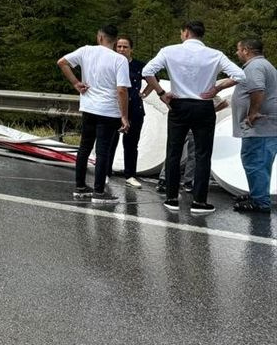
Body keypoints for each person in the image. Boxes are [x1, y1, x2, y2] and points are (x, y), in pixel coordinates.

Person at [142, 21, 245, 215]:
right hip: (204, 105)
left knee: (173, 151)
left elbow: (147, 72)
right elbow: (240, 75)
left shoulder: (169, 51)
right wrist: (217, 87)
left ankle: (171, 198)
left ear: (186, 32)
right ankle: (199, 201)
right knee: (202, 154)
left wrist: (162, 92)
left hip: (178, 104)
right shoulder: (215, 54)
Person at [58, 25, 131, 204]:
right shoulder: (119, 60)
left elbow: (62, 62)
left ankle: (80, 186)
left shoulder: (86, 51)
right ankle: (99, 191)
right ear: (115, 41)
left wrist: (76, 82)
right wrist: (124, 116)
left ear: (100, 37)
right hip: (108, 110)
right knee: (103, 151)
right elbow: (122, 90)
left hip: (89, 107)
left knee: (84, 147)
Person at [207, 39, 276, 212]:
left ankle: (260, 202)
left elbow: (258, 89)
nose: (237, 53)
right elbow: (239, 79)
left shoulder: (255, 67)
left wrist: (252, 112)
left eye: (238, 50)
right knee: (258, 162)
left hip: (260, 126)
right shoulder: (261, 65)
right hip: (265, 126)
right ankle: (257, 194)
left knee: (256, 162)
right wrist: (218, 88)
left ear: (246, 50)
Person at [112, 36, 157, 188]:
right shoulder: (111, 63)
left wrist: (144, 93)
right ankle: (105, 172)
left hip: (135, 108)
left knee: (131, 143)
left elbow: (153, 79)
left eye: (125, 47)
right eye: (119, 47)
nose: (122, 50)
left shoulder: (139, 66)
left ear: (131, 49)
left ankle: (130, 174)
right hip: (113, 108)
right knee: (110, 141)